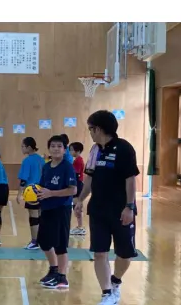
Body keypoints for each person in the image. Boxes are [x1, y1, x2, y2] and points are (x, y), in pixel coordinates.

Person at [74, 110, 140, 305]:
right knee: (99, 252)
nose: (90, 132)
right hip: (98, 210)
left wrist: (129, 207)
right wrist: (80, 199)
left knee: (125, 254)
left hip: (121, 210)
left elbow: (130, 180)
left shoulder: (124, 149)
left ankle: (115, 280)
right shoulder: (94, 150)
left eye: (91, 128)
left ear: (99, 129)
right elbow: (89, 178)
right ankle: (107, 293)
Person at [36, 134, 78, 290]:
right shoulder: (46, 167)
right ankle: (53, 270)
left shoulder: (67, 167)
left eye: (59, 146)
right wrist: (35, 195)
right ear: (49, 148)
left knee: (60, 244)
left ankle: (62, 277)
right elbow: (41, 187)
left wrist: (51, 193)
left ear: (64, 149)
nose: (56, 149)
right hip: (47, 208)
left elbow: (72, 190)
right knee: (44, 242)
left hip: (61, 209)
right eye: (53, 146)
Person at [18, 136, 45, 250]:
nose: (22, 149)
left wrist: (19, 194)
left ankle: (34, 242)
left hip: (31, 192)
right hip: (42, 190)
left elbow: (23, 179)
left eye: (23, 146)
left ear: (29, 147)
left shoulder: (27, 160)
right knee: (40, 216)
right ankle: (41, 240)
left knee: (33, 217)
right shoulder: (41, 159)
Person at [69, 141, 87, 235]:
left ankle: (80, 227)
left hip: (77, 185)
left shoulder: (78, 161)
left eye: (72, 150)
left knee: (77, 207)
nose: (70, 152)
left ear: (78, 151)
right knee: (76, 206)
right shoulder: (77, 160)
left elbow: (75, 175)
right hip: (78, 184)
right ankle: (80, 227)